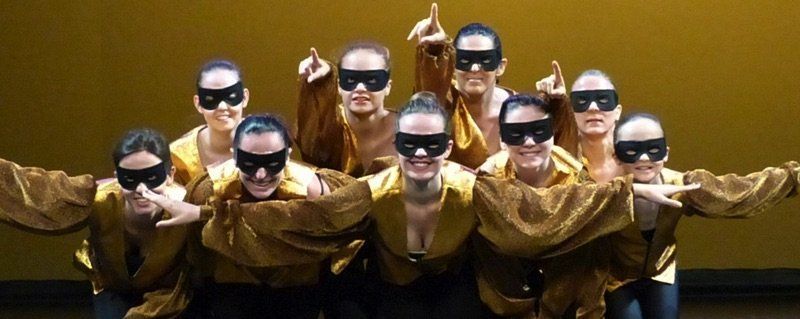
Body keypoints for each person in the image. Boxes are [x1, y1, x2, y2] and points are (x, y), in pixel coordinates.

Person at [159, 93, 698, 318]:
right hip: (390, 289)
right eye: (410, 145)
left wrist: (626, 195)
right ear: (396, 149)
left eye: (433, 145)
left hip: (453, 290)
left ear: (448, 146)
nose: (421, 154)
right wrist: (205, 214)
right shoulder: (373, 190)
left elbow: (544, 216)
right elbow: (301, 217)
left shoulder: (473, 188)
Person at [146, 114, 361, 319]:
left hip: (297, 288)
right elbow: (199, 257)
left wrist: (205, 214)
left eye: (272, 162)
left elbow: (349, 214)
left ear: (287, 155)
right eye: (249, 162)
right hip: (231, 289)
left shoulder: (311, 188)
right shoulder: (208, 190)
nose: (260, 175)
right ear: (234, 155)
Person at [604, 113, 799, 319]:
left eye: (653, 149)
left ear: (666, 153)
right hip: (617, 278)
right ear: (616, 155)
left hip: (661, 271)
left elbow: (735, 194)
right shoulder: (606, 194)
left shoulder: (682, 185)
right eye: (632, 150)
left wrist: (791, 176)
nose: (644, 158)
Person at [1, 128, 191, 318]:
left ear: (170, 174)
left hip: (169, 297)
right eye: (130, 179)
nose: (141, 190)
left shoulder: (188, 208)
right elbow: (34, 194)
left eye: (151, 177)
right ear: (117, 177)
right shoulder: (100, 200)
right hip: (111, 287)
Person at [476, 93, 608, 318]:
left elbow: (592, 266)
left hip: (564, 303)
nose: (529, 142)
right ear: (502, 139)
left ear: (551, 134)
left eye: (538, 131)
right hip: (505, 306)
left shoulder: (576, 179)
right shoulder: (488, 183)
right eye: (516, 133)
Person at [407, 4, 579, 168]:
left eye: (485, 60)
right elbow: (428, 96)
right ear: (453, 65)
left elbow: (561, 160)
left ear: (501, 67)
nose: (474, 68)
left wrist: (559, 106)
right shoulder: (442, 102)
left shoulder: (520, 111)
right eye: (465, 60)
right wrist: (435, 50)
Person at [296, 42, 396, 176]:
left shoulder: (409, 127)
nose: (360, 88)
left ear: (388, 87)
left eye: (372, 79)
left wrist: (431, 53)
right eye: (350, 79)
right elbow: (310, 141)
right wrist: (323, 82)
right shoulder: (327, 127)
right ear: (338, 86)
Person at [171, 59, 249, 185]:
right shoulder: (179, 157)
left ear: (245, 97)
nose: (222, 107)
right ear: (198, 103)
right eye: (210, 99)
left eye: (231, 96)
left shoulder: (269, 143)